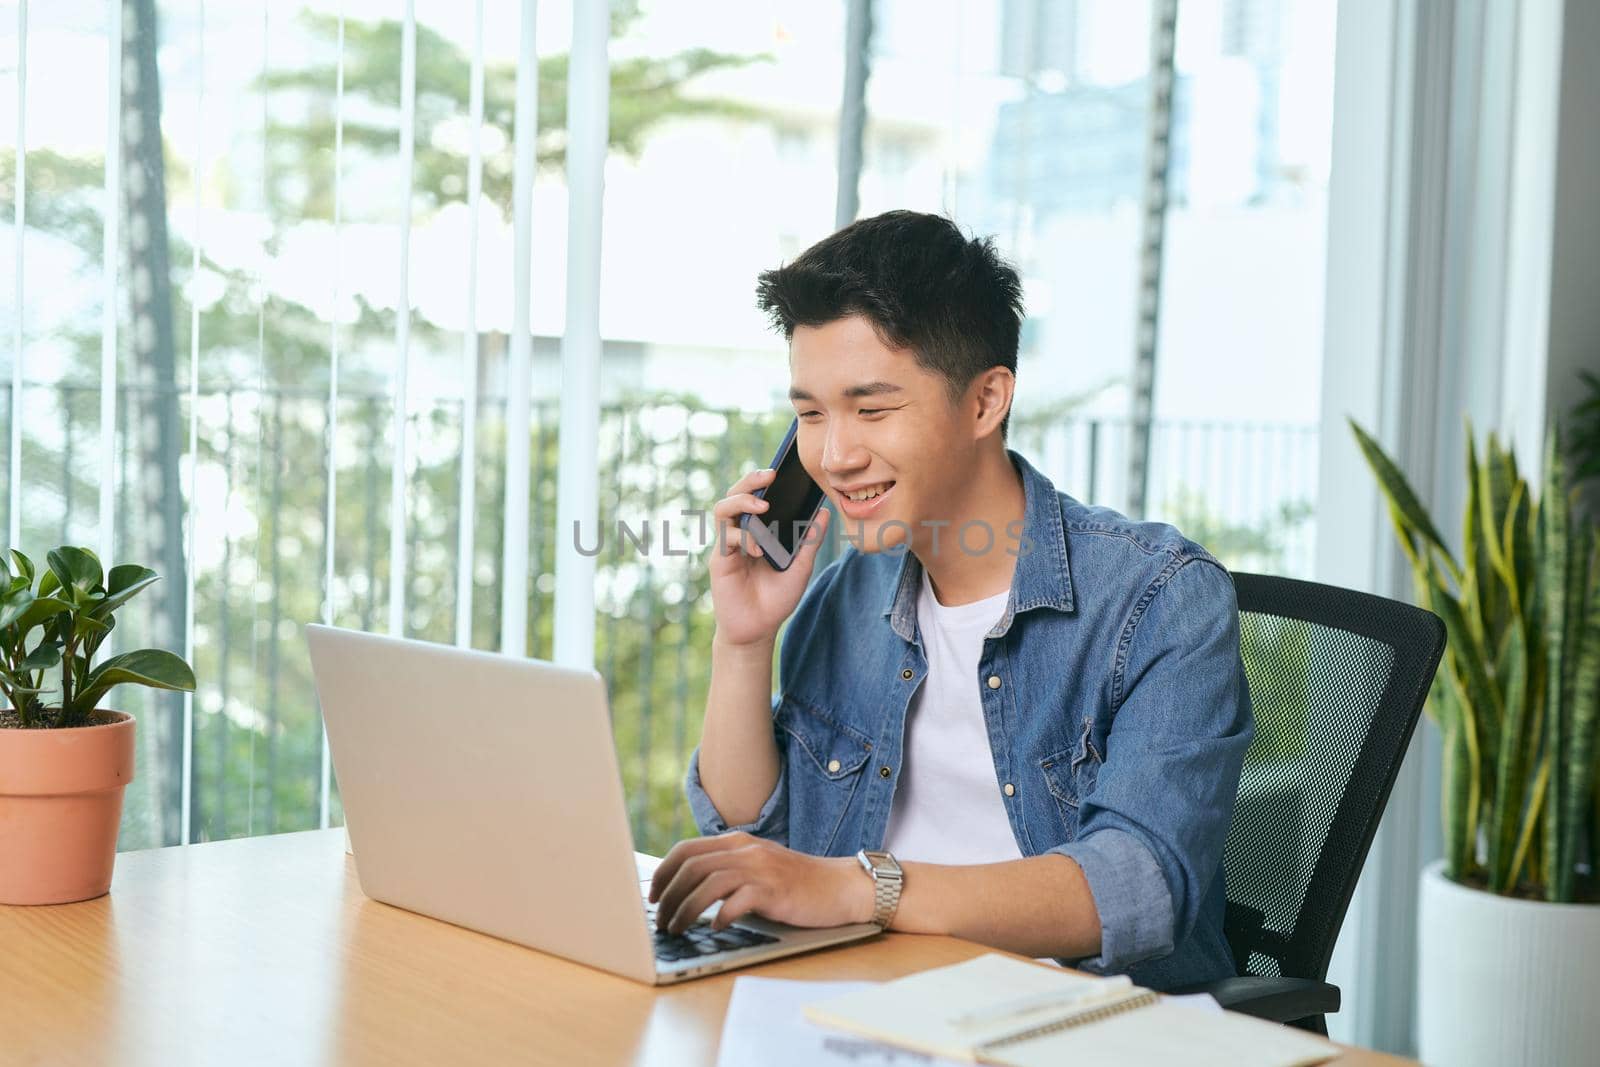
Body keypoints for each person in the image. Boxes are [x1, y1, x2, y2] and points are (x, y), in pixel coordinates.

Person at [646, 210, 1253, 991]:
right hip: (868, 1001)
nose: (834, 454)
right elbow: (755, 840)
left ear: (984, 401)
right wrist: (742, 641)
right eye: (809, 413)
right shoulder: (844, 598)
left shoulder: (1160, 600)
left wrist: (861, 888)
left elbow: (1134, 885)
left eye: (871, 408)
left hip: (1072, 1023)